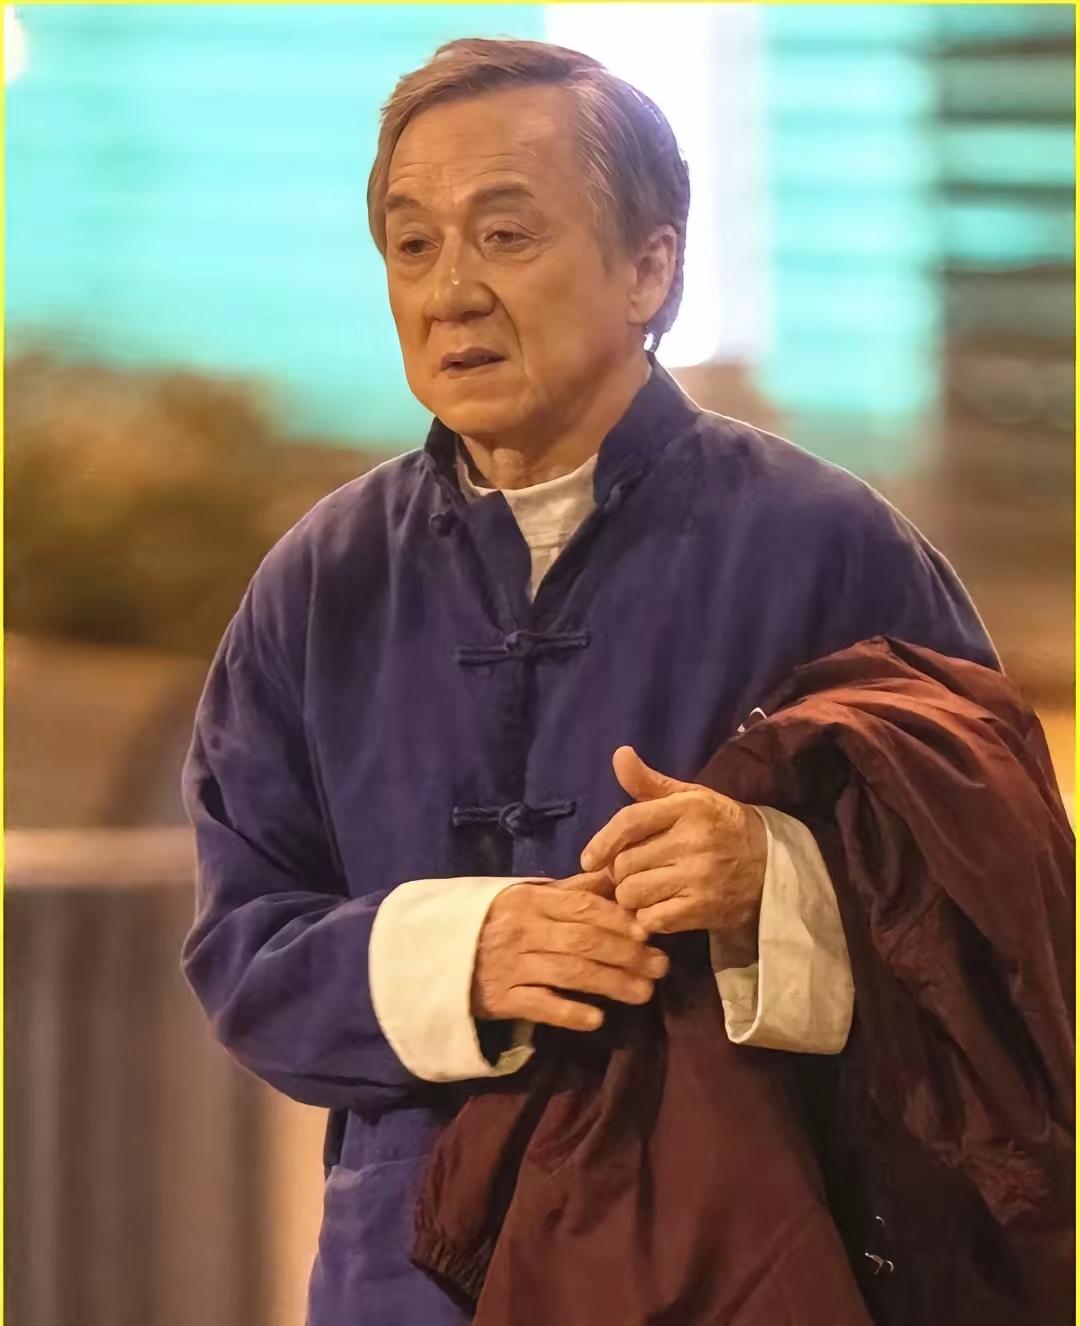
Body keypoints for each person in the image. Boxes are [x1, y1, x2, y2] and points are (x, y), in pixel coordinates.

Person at [181, 38, 999, 1326]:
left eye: (506, 235)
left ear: (650, 267)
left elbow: (1000, 920)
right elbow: (244, 950)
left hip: (743, 1265)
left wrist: (774, 883)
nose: (450, 292)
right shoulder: (321, 581)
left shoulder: (833, 549)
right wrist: (465, 953)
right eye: (412, 245)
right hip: (403, 1279)